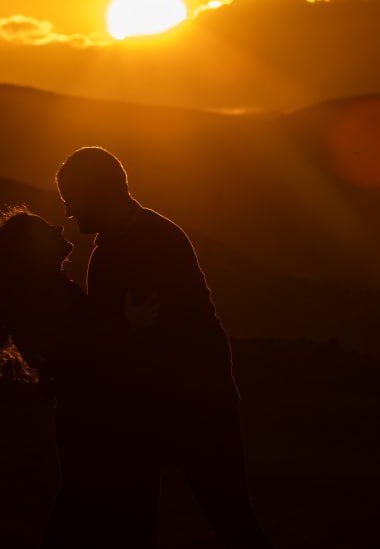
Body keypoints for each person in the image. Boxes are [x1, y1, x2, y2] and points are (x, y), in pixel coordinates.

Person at [56, 146, 271, 548]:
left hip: (192, 409)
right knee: (160, 525)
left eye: (72, 199)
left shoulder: (151, 242)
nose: (68, 211)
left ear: (100, 191)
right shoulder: (121, 246)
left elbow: (147, 334)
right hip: (164, 410)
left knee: (229, 522)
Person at [0, 208, 158, 547]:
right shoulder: (41, 297)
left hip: (87, 417)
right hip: (94, 419)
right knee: (99, 512)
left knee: (88, 510)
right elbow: (76, 355)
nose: (56, 227)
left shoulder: (43, 292)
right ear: (31, 250)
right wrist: (128, 327)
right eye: (44, 229)